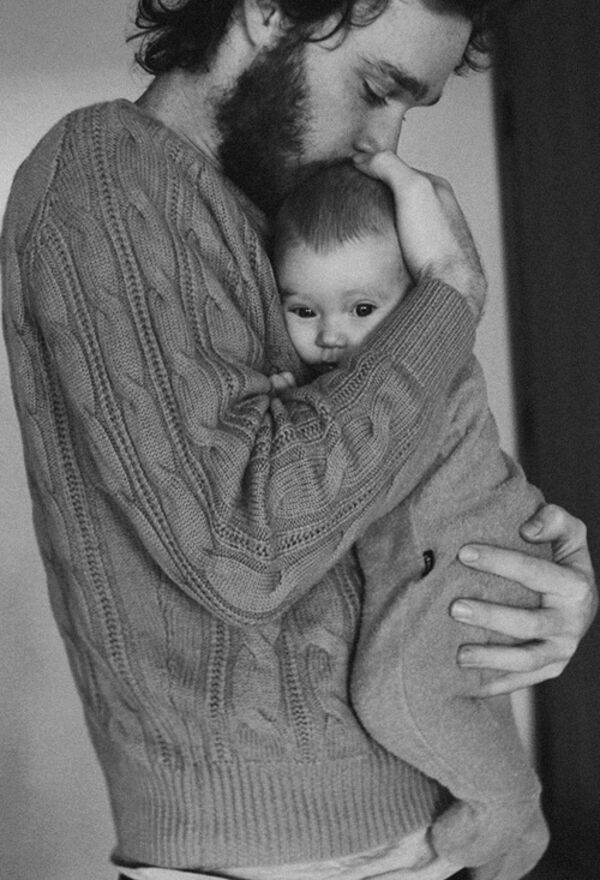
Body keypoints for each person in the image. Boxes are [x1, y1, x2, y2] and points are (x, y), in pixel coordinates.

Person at [0, 2, 596, 879]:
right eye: (377, 88)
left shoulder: (292, 224)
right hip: (271, 860)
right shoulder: (103, 180)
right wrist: (450, 291)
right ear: (268, 11)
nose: (382, 142)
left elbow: (401, 485)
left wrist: (525, 570)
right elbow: (248, 548)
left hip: (430, 824)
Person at [268, 159, 550, 878]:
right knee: (464, 704)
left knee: (394, 695)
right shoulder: (350, 378)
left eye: (363, 309)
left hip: (472, 554)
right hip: (444, 559)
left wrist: (291, 413)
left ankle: (508, 810)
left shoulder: (427, 375)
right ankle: (513, 831)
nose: (332, 335)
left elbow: (359, 472)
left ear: (415, 305)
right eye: (304, 310)